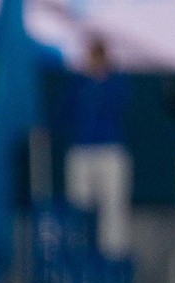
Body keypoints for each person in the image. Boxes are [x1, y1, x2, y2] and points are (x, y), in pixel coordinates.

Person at [59, 39, 130, 258]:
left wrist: (101, 79)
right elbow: (65, 112)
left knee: (112, 207)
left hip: (109, 149)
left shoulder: (117, 83)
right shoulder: (78, 84)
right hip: (82, 150)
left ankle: (112, 258)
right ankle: (76, 254)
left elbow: (122, 105)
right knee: (77, 204)